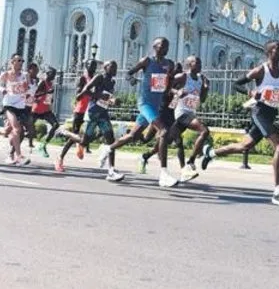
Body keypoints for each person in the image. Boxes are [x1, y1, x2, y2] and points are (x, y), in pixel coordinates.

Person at [200, 40, 279, 207]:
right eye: (278, 49)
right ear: (270, 52)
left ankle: (211, 153)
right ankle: (278, 191)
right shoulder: (260, 70)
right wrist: (250, 92)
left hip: (271, 113)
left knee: (245, 146)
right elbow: (237, 84)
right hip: (259, 112)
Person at [98, 37, 178, 187]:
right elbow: (129, 73)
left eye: (167, 46)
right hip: (145, 103)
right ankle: (164, 174)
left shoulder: (169, 64)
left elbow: (168, 83)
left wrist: (170, 91)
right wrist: (132, 79)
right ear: (154, 46)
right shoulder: (146, 61)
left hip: (156, 104)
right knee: (164, 130)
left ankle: (108, 148)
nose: (165, 48)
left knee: (133, 136)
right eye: (162, 45)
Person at [58, 61, 125, 182]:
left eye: (116, 67)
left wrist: (113, 100)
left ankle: (111, 171)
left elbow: (107, 97)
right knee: (84, 141)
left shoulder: (112, 82)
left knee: (111, 140)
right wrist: (98, 96)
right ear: (105, 68)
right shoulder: (99, 77)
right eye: (112, 66)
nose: (115, 69)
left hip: (103, 113)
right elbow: (86, 89)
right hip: (93, 112)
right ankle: (65, 132)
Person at [137, 62, 187, 179]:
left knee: (177, 141)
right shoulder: (166, 81)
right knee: (146, 139)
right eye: (177, 71)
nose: (179, 74)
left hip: (171, 117)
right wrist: (176, 92)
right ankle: (144, 153)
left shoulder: (181, 86)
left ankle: (184, 171)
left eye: (180, 71)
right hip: (159, 115)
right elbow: (167, 90)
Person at [169, 55, 210, 182]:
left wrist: (205, 88)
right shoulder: (182, 77)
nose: (200, 65)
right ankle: (190, 162)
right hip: (181, 112)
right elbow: (167, 87)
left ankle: (145, 156)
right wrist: (177, 92)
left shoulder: (200, 79)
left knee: (169, 141)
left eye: (200, 62)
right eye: (197, 63)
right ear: (189, 65)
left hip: (190, 112)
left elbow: (202, 100)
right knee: (204, 131)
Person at [56, 60, 98, 167]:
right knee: (74, 135)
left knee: (96, 133)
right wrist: (88, 91)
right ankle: (60, 158)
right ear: (86, 66)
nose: (94, 67)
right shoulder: (83, 78)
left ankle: (81, 143)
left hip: (92, 110)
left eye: (95, 65)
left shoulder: (96, 79)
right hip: (81, 110)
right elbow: (78, 95)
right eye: (91, 65)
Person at [0, 54, 30, 166]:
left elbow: (28, 88)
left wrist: (26, 90)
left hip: (20, 106)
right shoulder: (6, 74)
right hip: (9, 104)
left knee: (10, 131)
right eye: (18, 60)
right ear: (12, 62)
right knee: (16, 129)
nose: (21, 63)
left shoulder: (25, 75)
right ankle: (19, 156)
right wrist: (3, 89)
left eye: (22, 61)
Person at [32, 66, 60, 158]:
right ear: (48, 73)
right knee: (26, 128)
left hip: (46, 110)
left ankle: (43, 145)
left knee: (56, 125)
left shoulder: (50, 84)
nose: (54, 76)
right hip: (36, 109)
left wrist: (50, 99)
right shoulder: (42, 83)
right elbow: (35, 95)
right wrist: (46, 93)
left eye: (55, 75)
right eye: (52, 74)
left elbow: (48, 98)